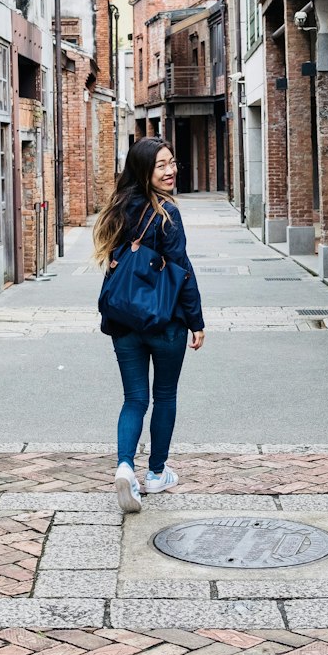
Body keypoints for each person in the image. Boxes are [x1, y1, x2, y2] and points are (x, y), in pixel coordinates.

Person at [94, 137, 205, 513]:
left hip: (125, 321)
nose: (171, 170)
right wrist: (196, 321)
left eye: (172, 162)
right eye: (161, 165)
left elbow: (112, 265)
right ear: (144, 170)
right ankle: (156, 473)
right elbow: (182, 272)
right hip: (165, 321)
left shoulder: (116, 209)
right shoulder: (167, 215)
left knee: (134, 399)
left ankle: (125, 467)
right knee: (166, 396)